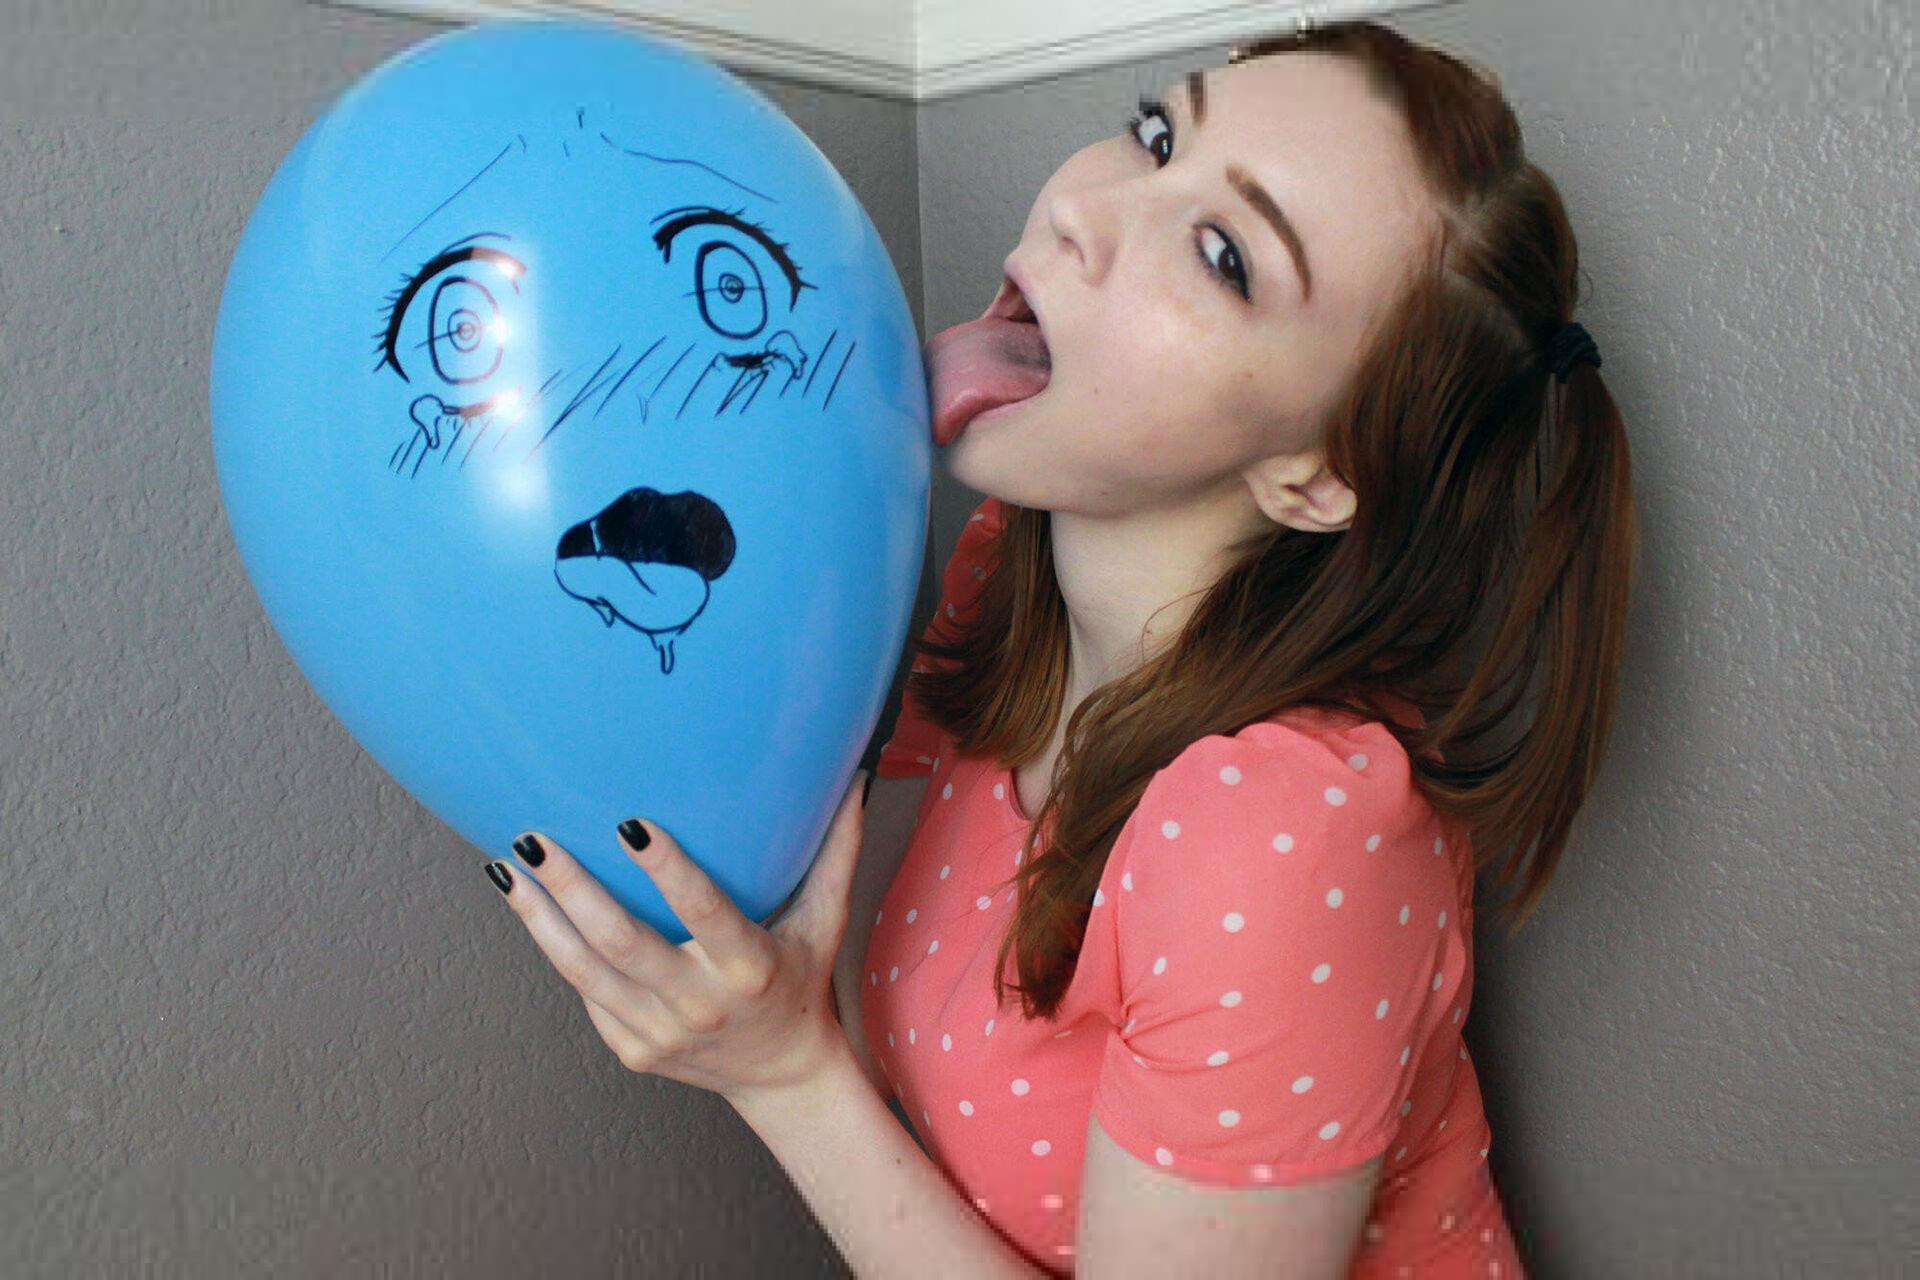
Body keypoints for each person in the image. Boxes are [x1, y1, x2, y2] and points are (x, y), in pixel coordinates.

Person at [857, 19, 1636, 1278]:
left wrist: (777, 1072)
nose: (1082, 210)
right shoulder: (1007, 571)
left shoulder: (1290, 829)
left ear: (1318, 473)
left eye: (1224, 254)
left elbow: (810, 1049)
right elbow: (869, 969)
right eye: (1156, 134)